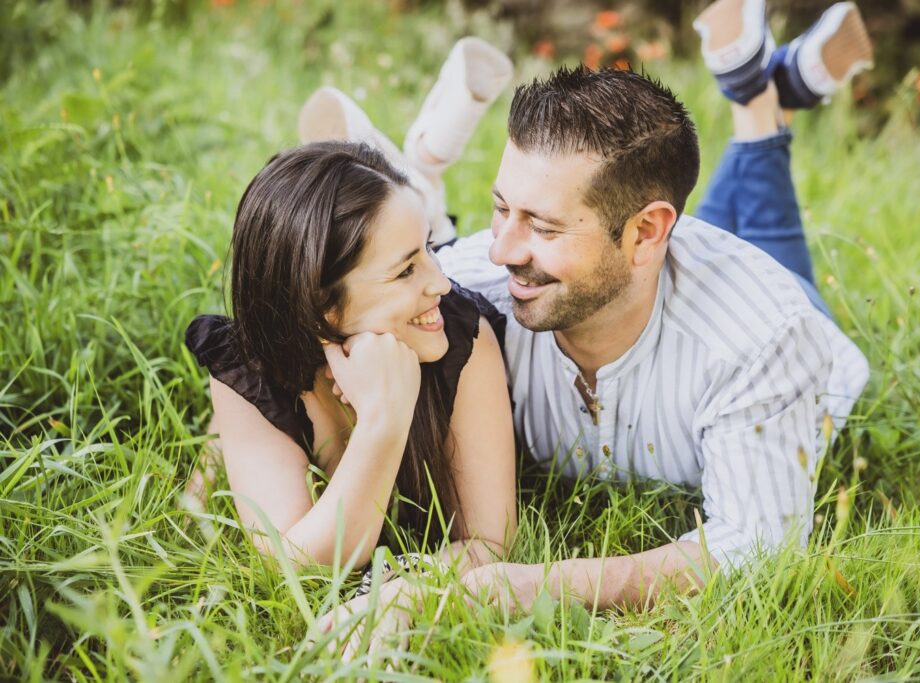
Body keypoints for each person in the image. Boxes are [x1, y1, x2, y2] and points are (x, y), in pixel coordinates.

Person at [315, 0, 873, 654]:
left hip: (781, 301)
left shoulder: (761, 338)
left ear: (646, 232)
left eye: (544, 227)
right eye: (501, 209)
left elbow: (754, 550)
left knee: (767, 235)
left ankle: (756, 100)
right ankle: (764, 89)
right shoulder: (473, 281)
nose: (500, 249)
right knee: (697, 212)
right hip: (656, 256)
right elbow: (333, 312)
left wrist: (515, 586)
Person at [184, 108, 518, 569]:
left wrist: (399, 591)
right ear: (323, 307)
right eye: (405, 270)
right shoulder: (249, 369)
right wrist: (384, 418)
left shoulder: (462, 336)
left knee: (446, 243)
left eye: (427, 253)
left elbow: (491, 544)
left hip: (475, 267)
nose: (439, 283)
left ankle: (426, 173)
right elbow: (294, 563)